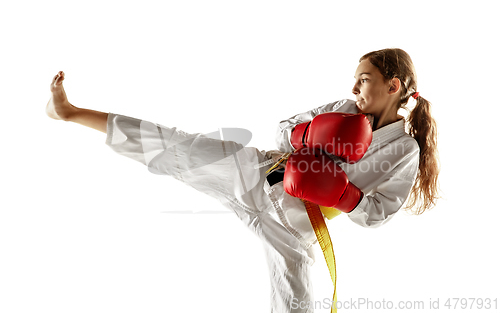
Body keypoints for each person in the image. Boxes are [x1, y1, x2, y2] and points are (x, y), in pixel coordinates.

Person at [46, 48, 440, 312]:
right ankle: (69, 112)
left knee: (296, 305)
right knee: (177, 145)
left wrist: (342, 194)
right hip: (254, 174)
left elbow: (378, 214)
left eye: (364, 79)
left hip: (293, 227)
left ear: (393, 87)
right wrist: (307, 135)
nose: (354, 88)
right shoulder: (343, 108)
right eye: (355, 79)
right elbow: (282, 128)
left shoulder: (404, 151)